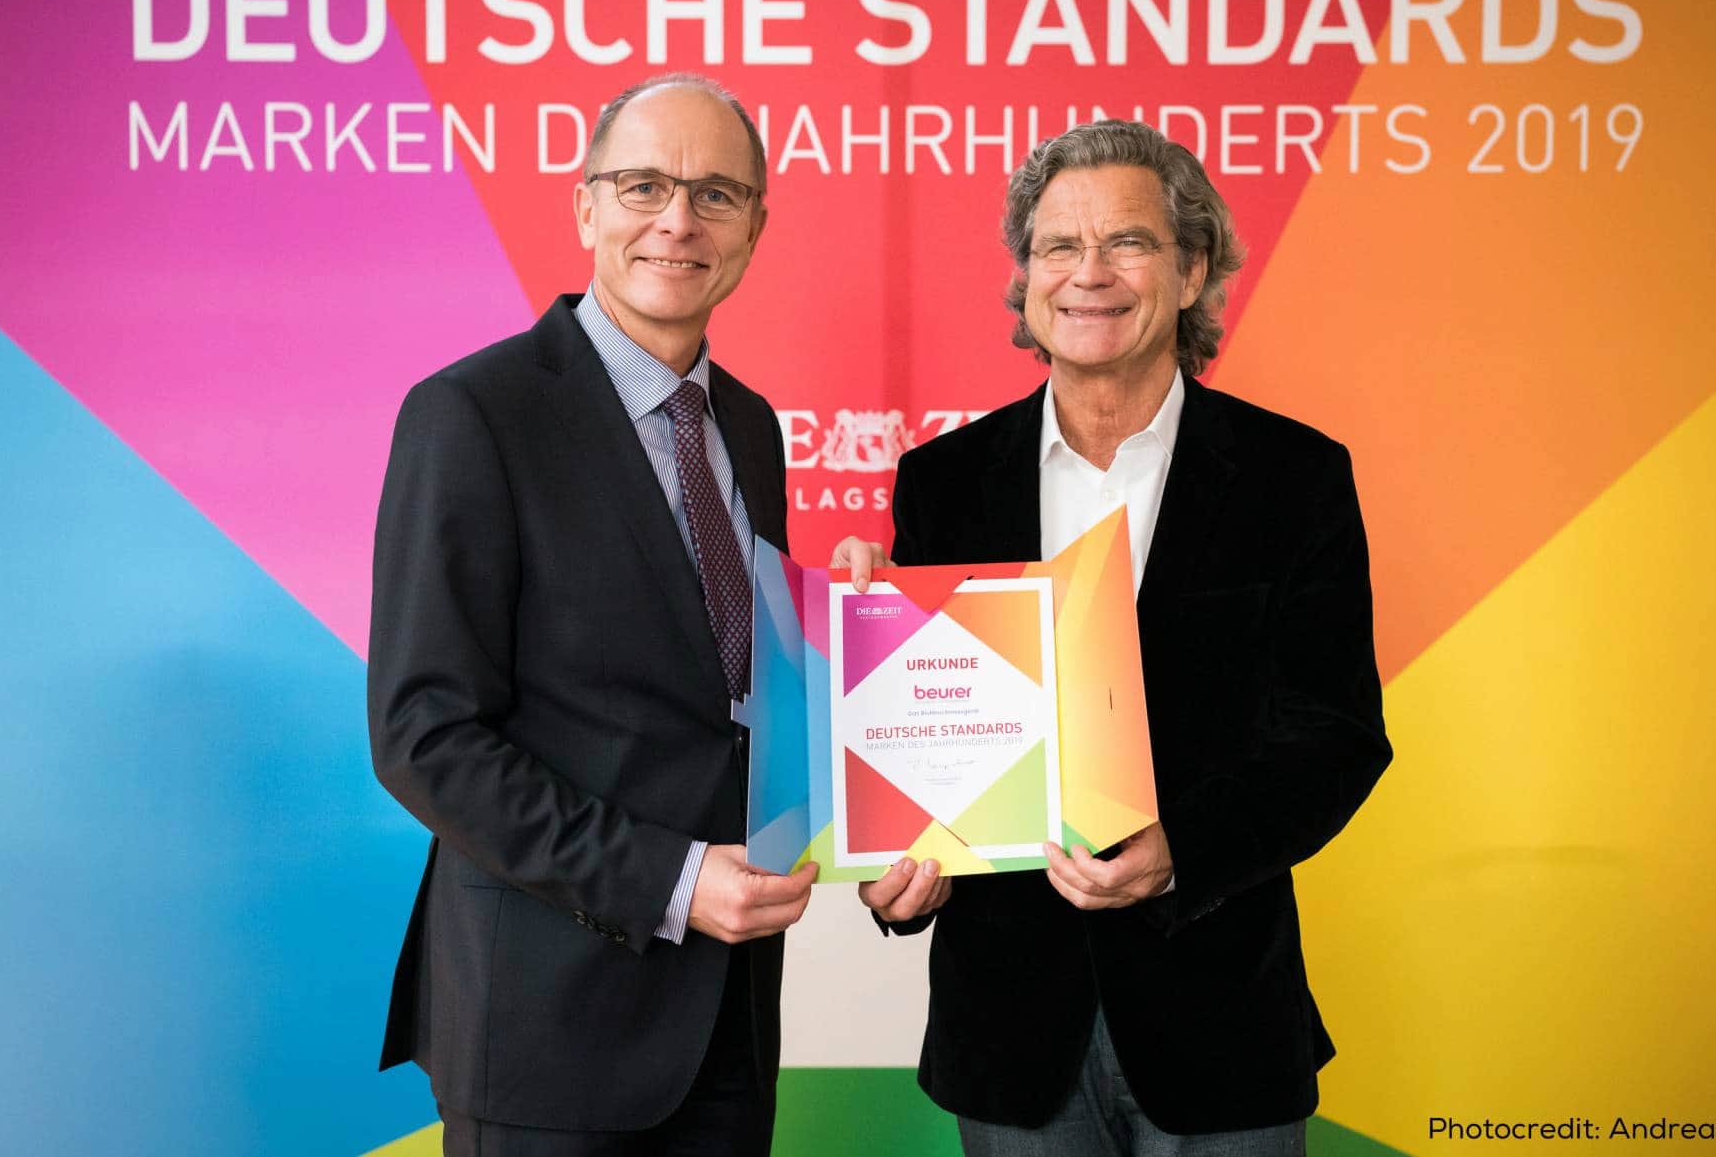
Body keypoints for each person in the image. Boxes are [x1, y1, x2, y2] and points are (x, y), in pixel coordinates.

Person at [859, 119, 1391, 1156]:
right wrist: (894, 876)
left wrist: (1182, 852)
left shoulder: (1294, 477)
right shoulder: (945, 484)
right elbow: (923, 737)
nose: (1089, 273)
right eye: (1059, 245)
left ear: (1191, 271)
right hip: (1010, 1034)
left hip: (1222, 1023)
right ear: (1026, 279)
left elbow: (1336, 735)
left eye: (1128, 243)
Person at [368, 73, 818, 1157]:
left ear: (756, 228)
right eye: (644, 185)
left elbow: (732, 698)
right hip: (546, 1024)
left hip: (729, 1025)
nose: (678, 220)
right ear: (585, 207)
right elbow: (425, 735)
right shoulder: (473, 415)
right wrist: (670, 881)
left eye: (715, 194)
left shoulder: (751, 426)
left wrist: (854, 635)